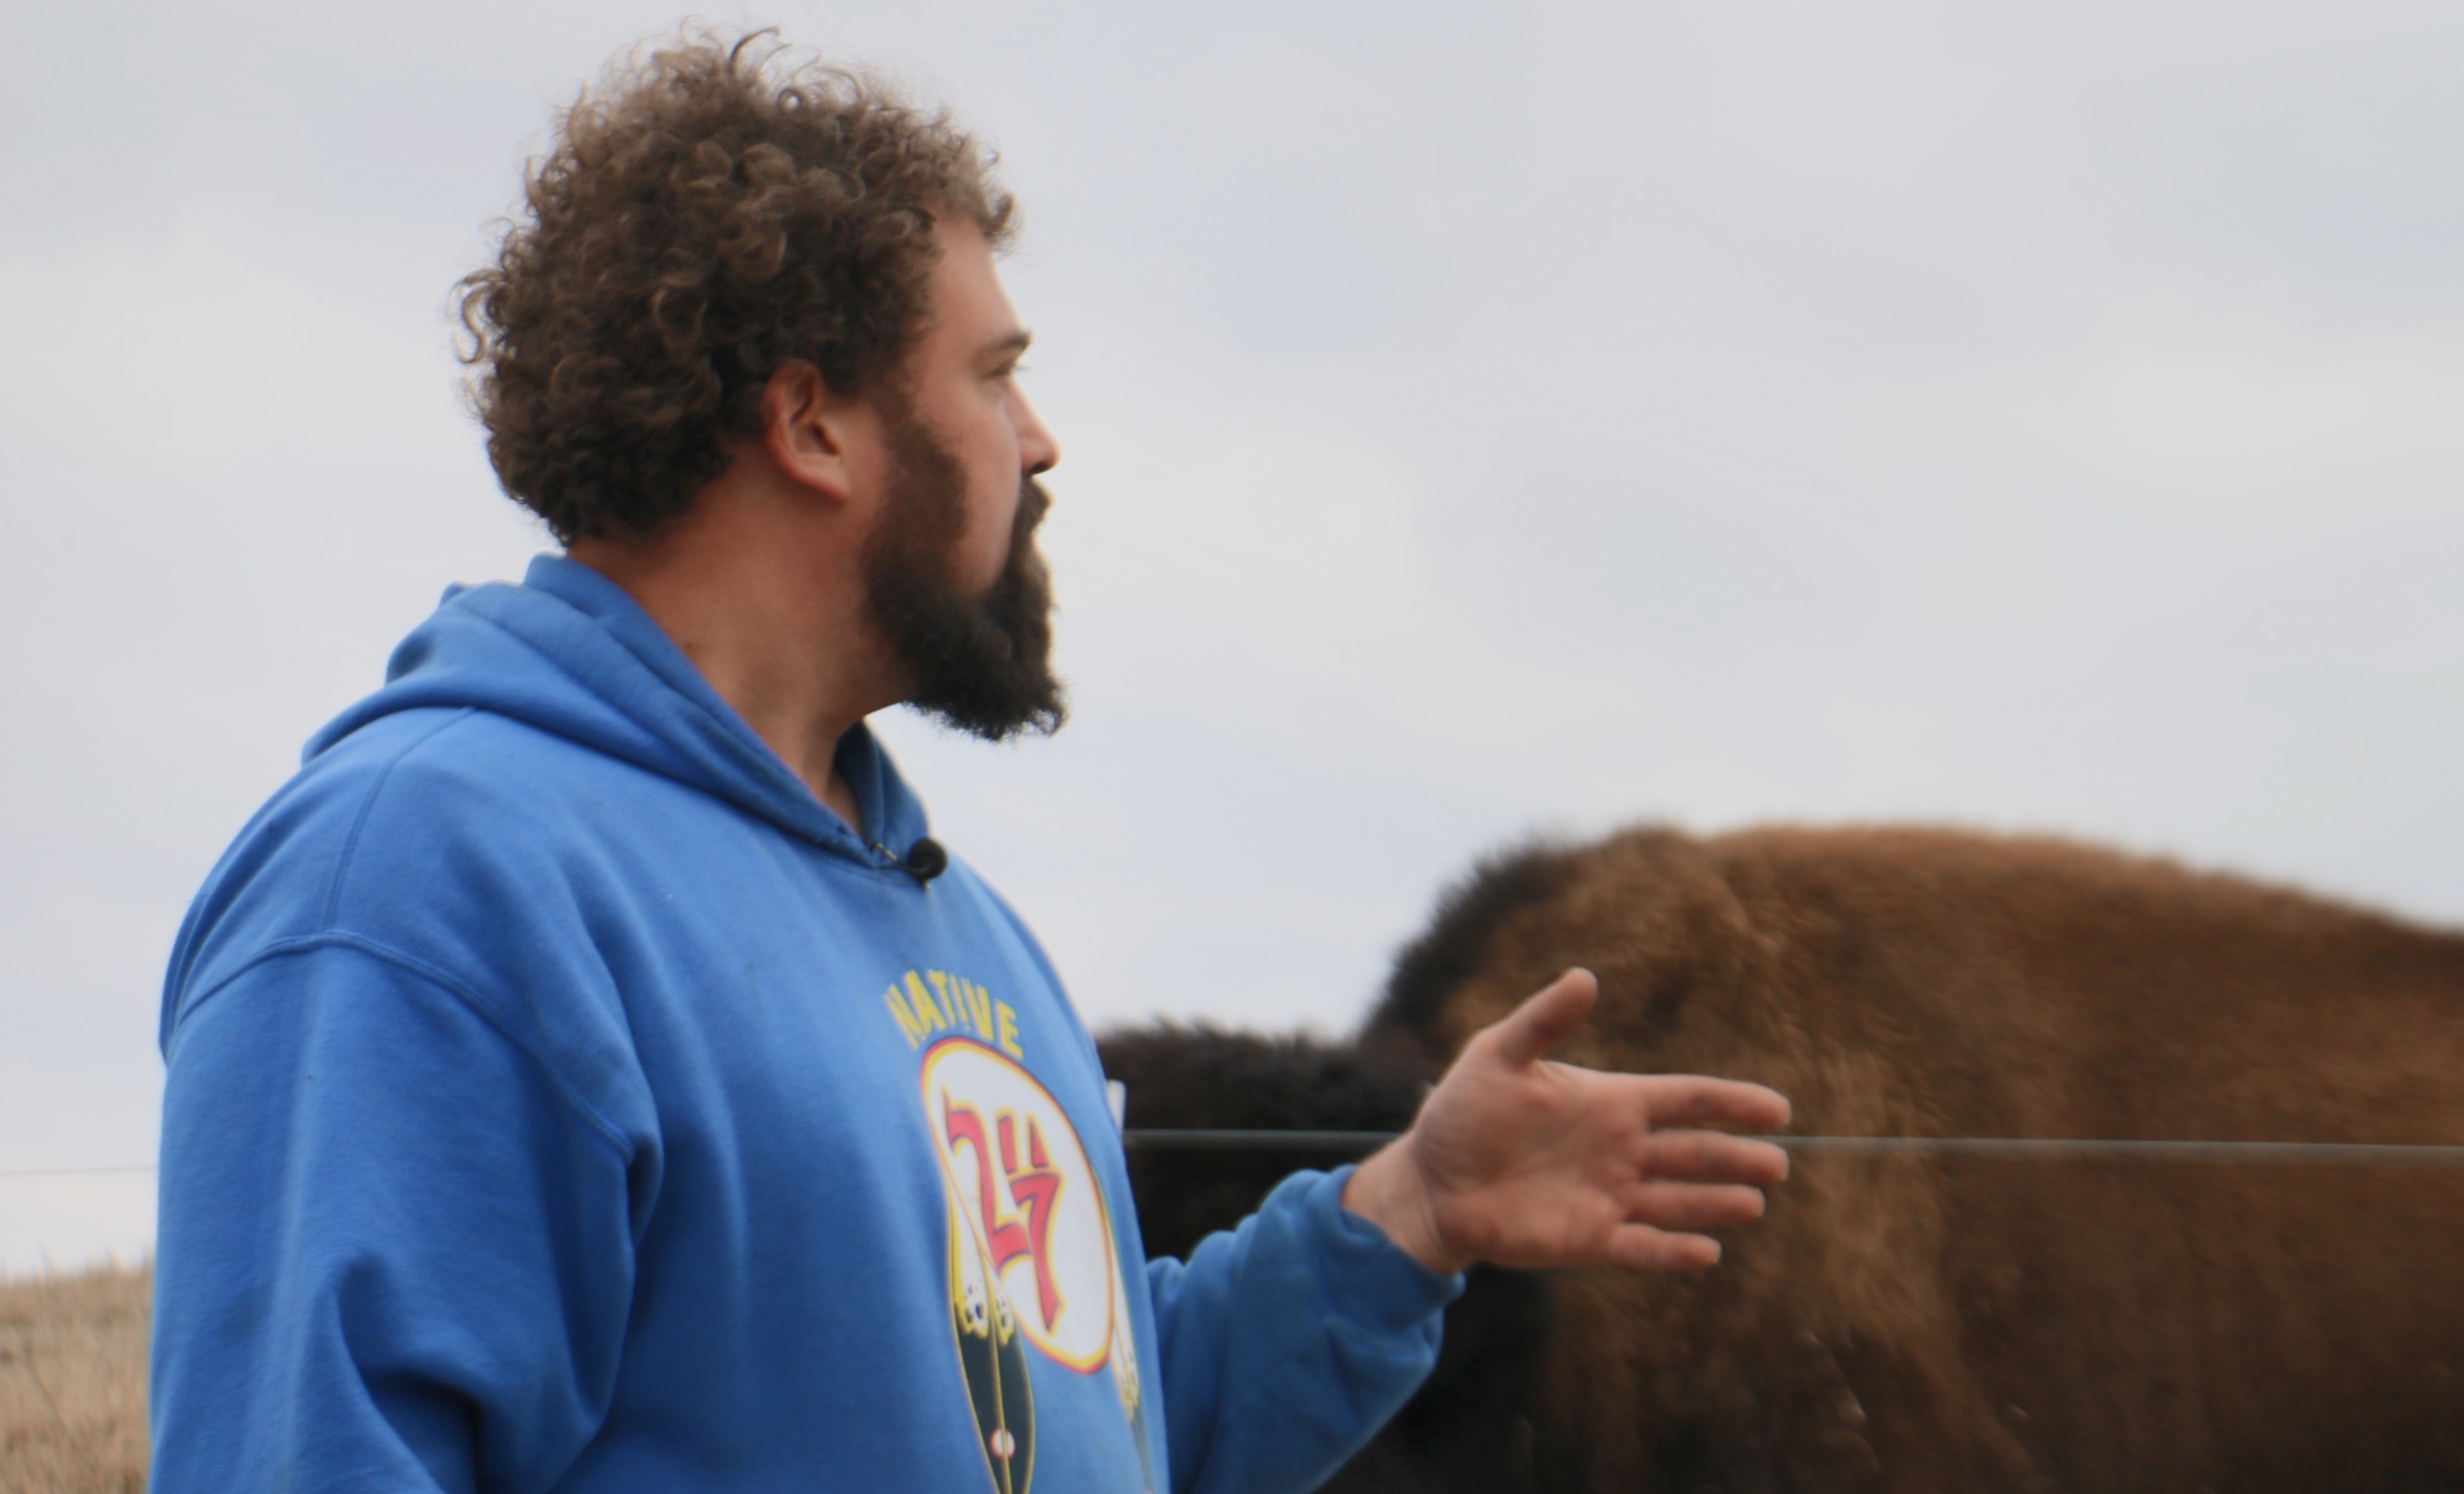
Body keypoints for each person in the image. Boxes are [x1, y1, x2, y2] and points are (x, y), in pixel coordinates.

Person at [149, 28, 1790, 1494]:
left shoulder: (963, 937)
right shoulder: (425, 876)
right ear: (812, 425)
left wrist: (1406, 1214)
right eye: (996, 375)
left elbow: (1098, 1439)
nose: (1042, 436)